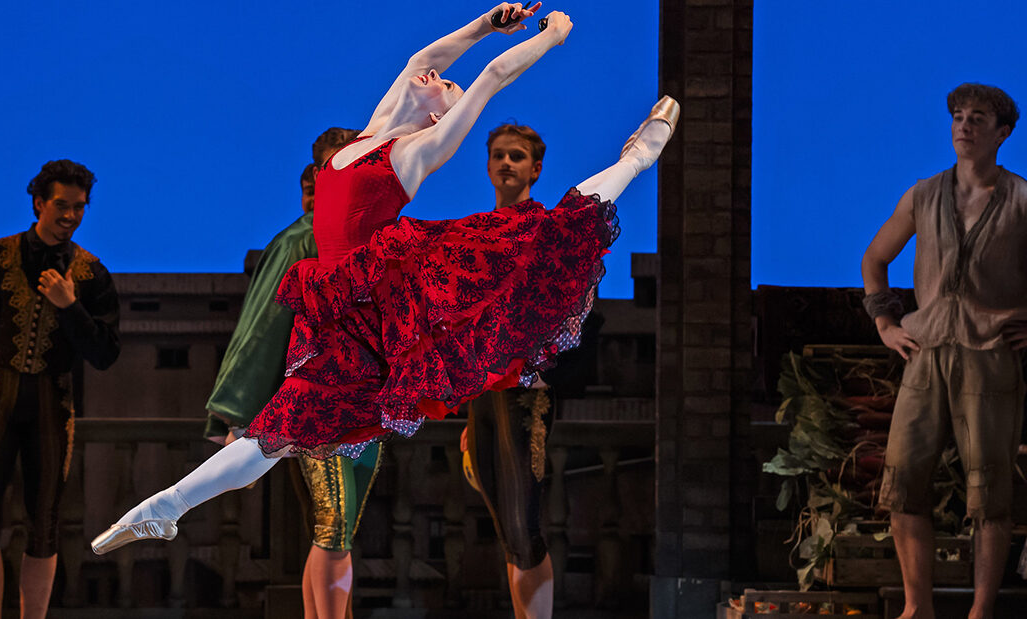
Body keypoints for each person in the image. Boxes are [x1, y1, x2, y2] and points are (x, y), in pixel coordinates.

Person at [93, 2, 677, 558]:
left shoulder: (416, 152)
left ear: (438, 113)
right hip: (338, 312)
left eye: (448, 87)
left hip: (380, 302)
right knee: (280, 426)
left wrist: (552, 35)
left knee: (541, 236)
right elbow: (424, 58)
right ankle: (166, 507)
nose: (441, 79)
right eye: (442, 80)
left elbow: (494, 75)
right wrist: (483, 25)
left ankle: (633, 161)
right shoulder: (367, 136)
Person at [202, 127, 382, 619]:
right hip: (319, 405)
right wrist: (234, 414)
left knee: (335, 529)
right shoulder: (303, 241)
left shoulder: (369, 238)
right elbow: (261, 328)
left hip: (363, 403)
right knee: (334, 527)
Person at [861, 83, 1026, 619]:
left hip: (990, 355)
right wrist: (885, 323)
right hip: (926, 353)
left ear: (1002, 132)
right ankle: (917, 608)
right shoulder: (924, 194)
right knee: (904, 482)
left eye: (978, 118)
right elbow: (875, 258)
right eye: (958, 116)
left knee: (989, 491)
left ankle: (981, 610)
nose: (964, 125)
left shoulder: (1022, 200)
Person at [0, 159, 120, 618]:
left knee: (44, 524)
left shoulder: (92, 275)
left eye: (79, 208)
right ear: (39, 203)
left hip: (52, 406)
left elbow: (105, 354)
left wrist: (70, 307)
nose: (70, 217)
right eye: (61, 205)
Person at [459, 122, 603, 619]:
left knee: (525, 524)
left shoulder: (547, 233)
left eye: (516, 156)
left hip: (526, 394)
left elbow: (584, 308)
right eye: (498, 155)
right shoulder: (480, 231)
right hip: (484, 396)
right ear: (487, 165)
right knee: (506, 525)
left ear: (535, 169)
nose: (505, 164)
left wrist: (554, 374)